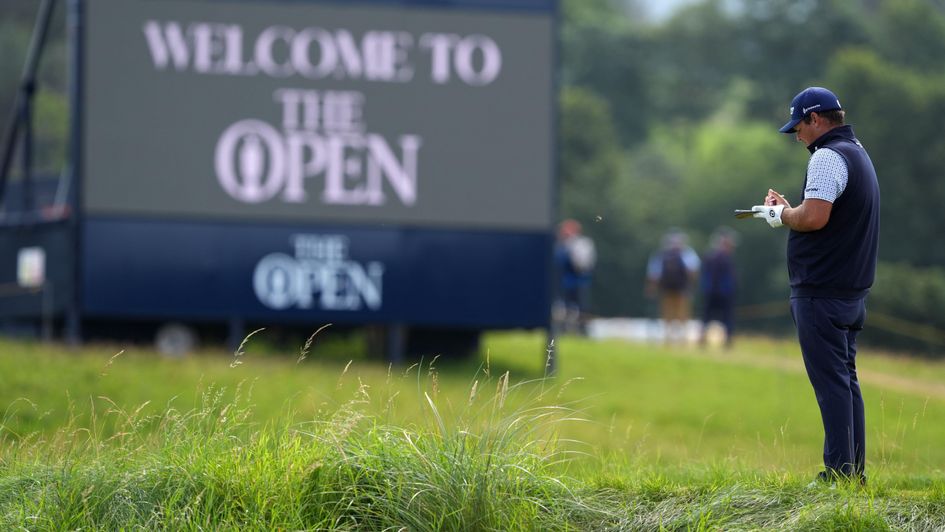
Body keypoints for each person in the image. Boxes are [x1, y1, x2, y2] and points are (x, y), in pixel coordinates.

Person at [751, 86, 880, 486]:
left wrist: (781, 213)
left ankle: (839, 474)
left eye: (799, 127)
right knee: (845, 383)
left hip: (822, 292)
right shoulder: (857, 152)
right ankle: (852, 474)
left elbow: (814, 218)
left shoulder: (827, 156)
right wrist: (791, 210)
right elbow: (821, 213)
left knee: (831, 386)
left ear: (816, 119)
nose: (797, 136)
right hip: (850, 293)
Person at [645, 230, 700, 343]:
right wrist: (692, 285)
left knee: (667, 314)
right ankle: (683, 337)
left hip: (666, 288)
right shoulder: (687, 253)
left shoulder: (661, 254)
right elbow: (693, 271)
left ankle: (668, 337)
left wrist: (652, 287)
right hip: (682, 288)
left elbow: (654, 273)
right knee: (682, 314)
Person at [553, 219, 596, 334]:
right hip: (564, 282)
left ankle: (583, 331)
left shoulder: (582, 244)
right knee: (564, 308)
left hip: (579, 281)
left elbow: (584, 264)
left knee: (582, 308)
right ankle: (564, 330)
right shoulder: (560, 245)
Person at [699, 228, 737, 348]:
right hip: (723, 293)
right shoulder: (725, 258)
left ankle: (702, 339)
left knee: (706, 317)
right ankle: (727, 341)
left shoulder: (709, 256)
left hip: (710, 291)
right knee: (727, 317)